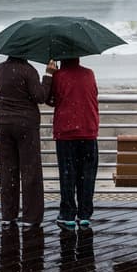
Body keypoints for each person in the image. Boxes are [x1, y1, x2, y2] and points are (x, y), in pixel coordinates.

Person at [0, 55, 52, 227]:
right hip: (26, 124)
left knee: (7, 169)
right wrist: (48, 76)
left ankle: (8, 214)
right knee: (30, 170)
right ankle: (31, 217)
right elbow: (40, 96)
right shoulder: (28, 70)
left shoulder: (0, 68)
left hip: (4, 122)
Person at [46, 56, 99, 232]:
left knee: (68, 174)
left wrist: (49, 74)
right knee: (87, 174)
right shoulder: (89, 73)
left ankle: (68, 215)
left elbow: (50, 100)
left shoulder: (59, 76)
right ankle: (84, 215)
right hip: (88, 129)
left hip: (66, 132)